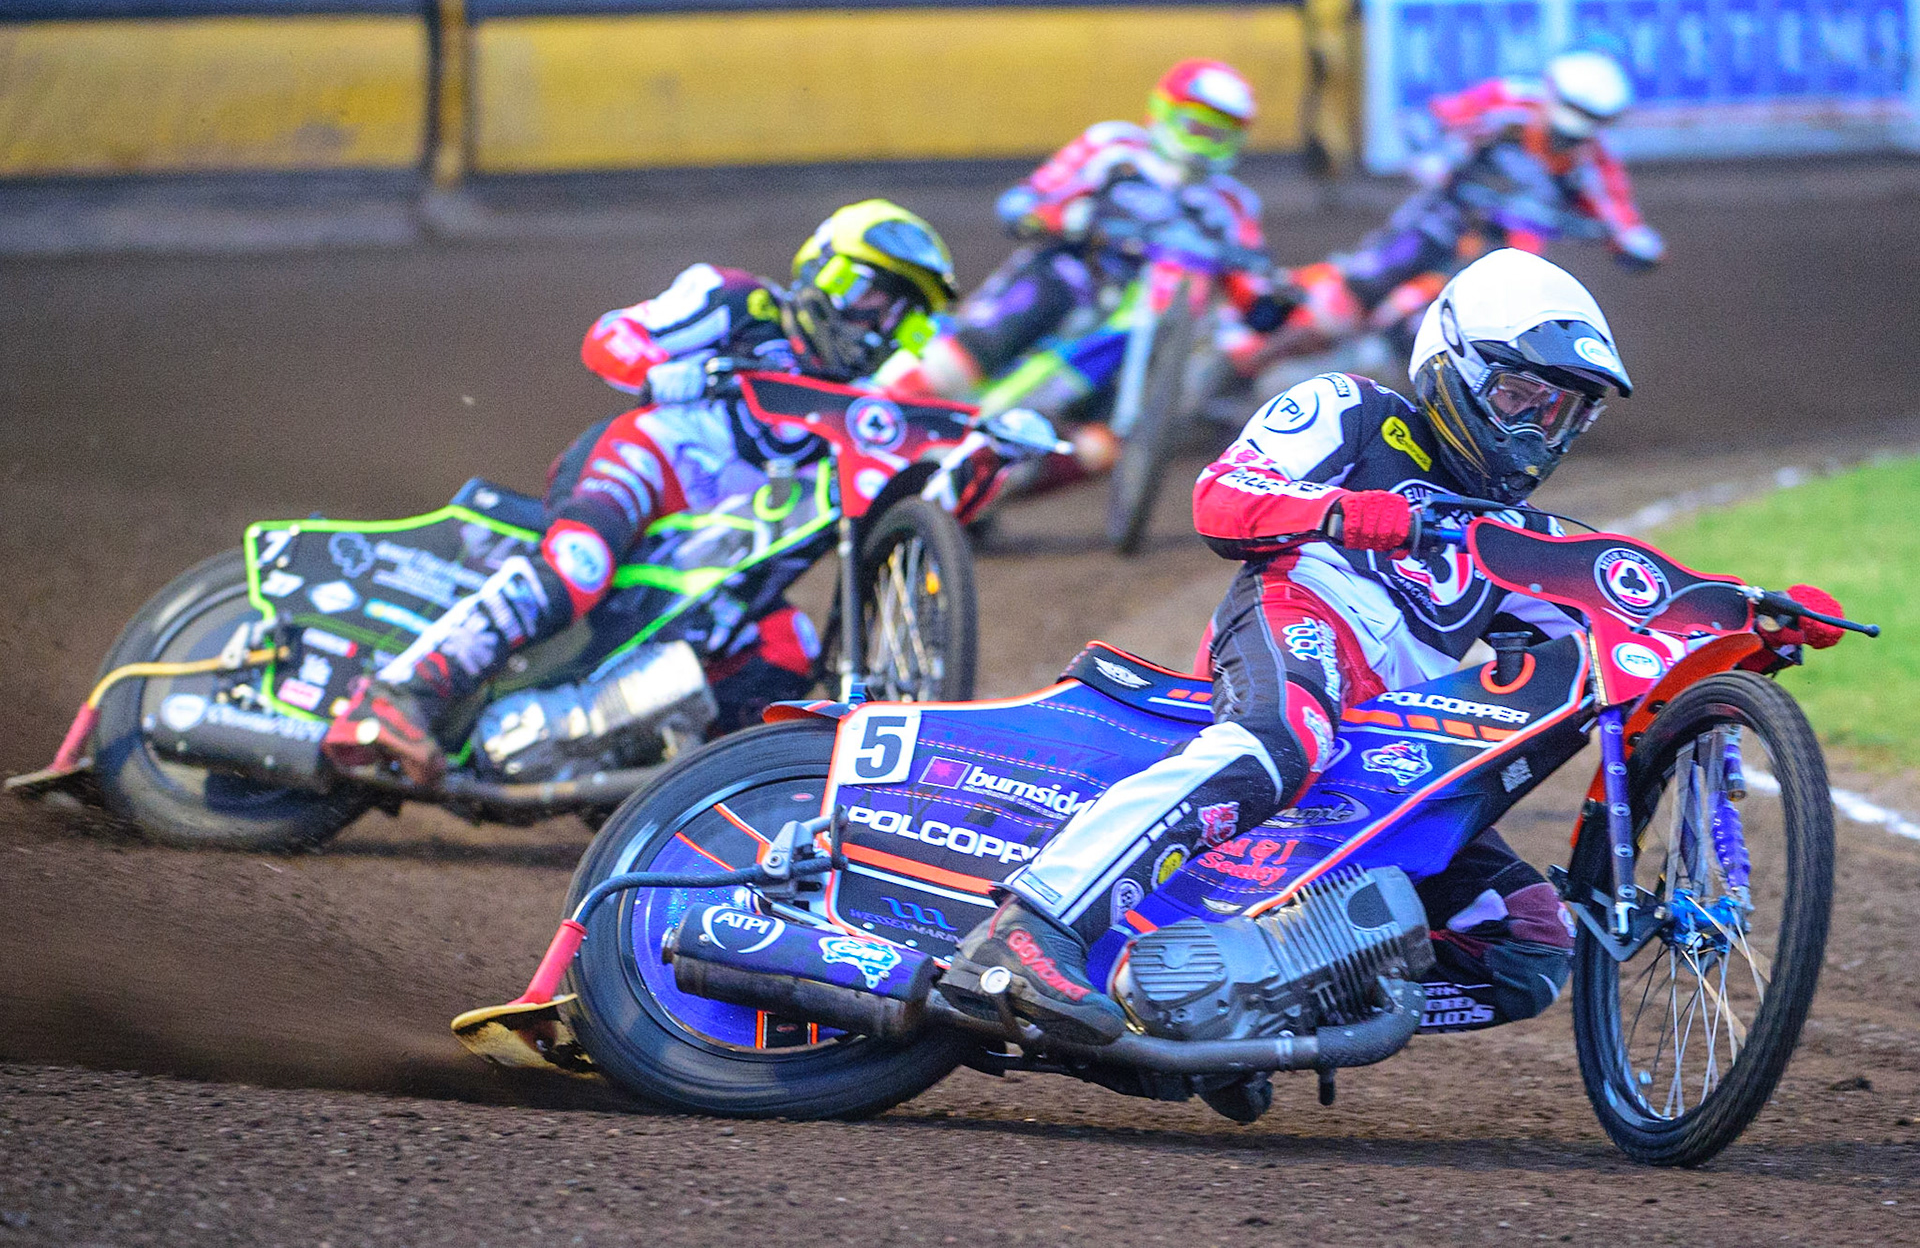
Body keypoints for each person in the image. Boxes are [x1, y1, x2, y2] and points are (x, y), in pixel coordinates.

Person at [946, 248, 1846, 1044]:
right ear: (1453, 365)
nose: (1537, 432)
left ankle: (1244, 1003)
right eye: (1520, 398)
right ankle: (1030, 928)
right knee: (1283, 738)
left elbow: (1625, 613)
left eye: (1563, 415)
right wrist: (1345, 512)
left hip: (1379, 747)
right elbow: (1218, 501)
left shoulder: (1516, 537)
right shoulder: (1352, 411)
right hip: (1292, 624)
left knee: (1530, 941)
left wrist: (1740, 617)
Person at [322, 200, 959, 786]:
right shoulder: (737, 300)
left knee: (786, 642)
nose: (879, 323)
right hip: (650, 458)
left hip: (713, 545)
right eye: (871, 293)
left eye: (903, 317)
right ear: (823, 270)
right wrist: (676, 373)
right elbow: (610, 337)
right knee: (579, 564)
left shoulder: (859, 411)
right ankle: (399, 694)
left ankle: (675, 791)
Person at [895, 59, 1289, 469]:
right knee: (980, 346)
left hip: (1151, 333)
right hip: (1072, 279)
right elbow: (1025, 202)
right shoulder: (1115, 149)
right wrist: (1067, 217)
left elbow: (1253, 283)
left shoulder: (1233, 204)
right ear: (1164, 112)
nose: (1207, 141)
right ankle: (875, 414)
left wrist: (1272, 299)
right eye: (1199, 126)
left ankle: (986, 485)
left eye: (1222, 134)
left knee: (1103, 449)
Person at [1278, 50, 1665, 363]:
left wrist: (1636, 244)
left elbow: (1623, 221)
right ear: (1551, 94)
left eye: (1590, 120)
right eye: (1569, 114)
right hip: (1443, 216)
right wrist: (1432, 155)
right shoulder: (1506, 102)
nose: (1569, 133)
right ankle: (1272, 334)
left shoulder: (1595, 160)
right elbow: (1434, 118)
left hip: (1503, 252)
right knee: (1362, 283)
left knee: (1456, 327)